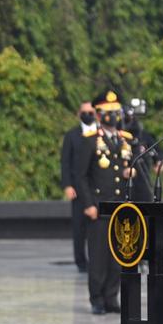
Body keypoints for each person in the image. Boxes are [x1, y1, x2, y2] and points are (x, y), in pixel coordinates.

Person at [75, 90, 135, 314]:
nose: (113, 117)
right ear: (99, 115)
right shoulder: (90, 142)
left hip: (119, 207)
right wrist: (88, 204)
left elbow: (123, 171)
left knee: (116, 256)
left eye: (116, 112)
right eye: (108, 113)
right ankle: (97, 298)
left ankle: (112, 296)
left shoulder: (123, 141)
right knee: (98, 256)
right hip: (99, 207)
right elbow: (80, 176)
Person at [59, 102, 96, 272]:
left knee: (98, 228)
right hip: (78, 188)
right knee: (79, 228)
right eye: (85, 112)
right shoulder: (72, 135)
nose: (88, 114)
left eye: (91, 112)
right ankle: (81, 262)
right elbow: (65, 162)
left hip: (97, 187)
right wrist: (67, 185)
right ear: (78, 113)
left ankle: (99, 259)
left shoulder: (101, 134)